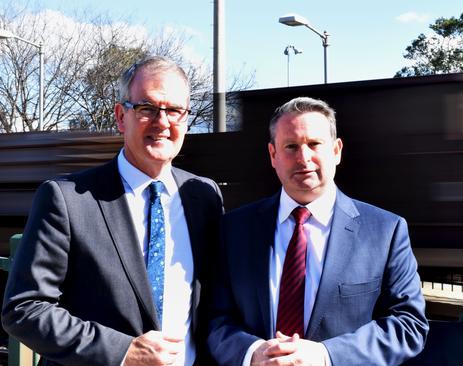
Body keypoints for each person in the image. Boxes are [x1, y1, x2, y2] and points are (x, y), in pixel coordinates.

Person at [2, 56, 223, 366]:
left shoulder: (204, 196)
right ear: (121, 116)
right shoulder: (68, 199)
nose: (162, 122)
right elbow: (24, 309)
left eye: (174, 111)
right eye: (147, 109)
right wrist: (123, 352)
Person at [207, 97, 428, 365]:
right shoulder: (235, 229)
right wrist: (252, 352)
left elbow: (409, 324)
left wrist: (326, 356)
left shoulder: (385, 231)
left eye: (314, 144)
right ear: (273, 155)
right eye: (291, 146)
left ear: (336, 150)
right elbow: (215, 318)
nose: (304, 158)